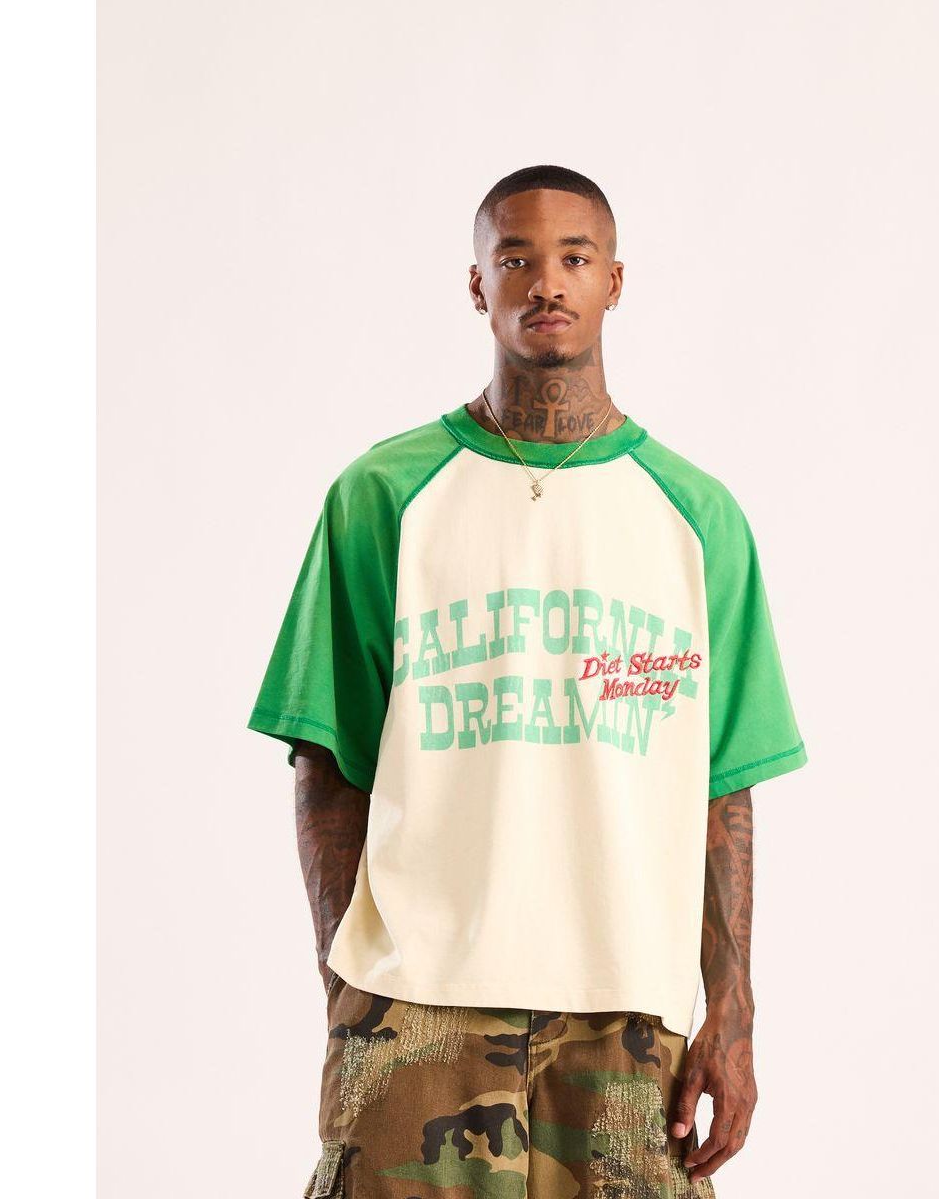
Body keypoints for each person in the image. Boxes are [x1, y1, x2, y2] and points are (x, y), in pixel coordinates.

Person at [248, 164, 807, 1198]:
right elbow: (326, 758)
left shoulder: (697, 517)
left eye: (575, 257)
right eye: (516, 258)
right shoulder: (382, 495)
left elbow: (724, 786)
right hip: (416, 1006)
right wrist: (347, 981)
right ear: (478, 285)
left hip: (630, 1008)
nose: (547, 281)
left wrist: (732, 1012)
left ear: (614, 281)